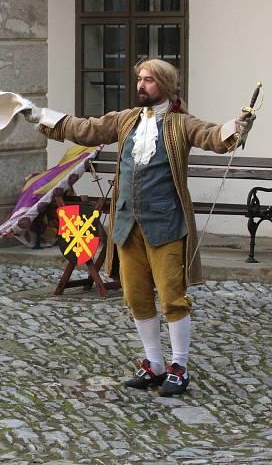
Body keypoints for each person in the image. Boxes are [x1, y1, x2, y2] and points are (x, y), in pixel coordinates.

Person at [25, 59, 254, 396]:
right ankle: (155, 365)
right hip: (127, 223)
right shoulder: (126, 119)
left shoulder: (181, 124)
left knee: (173, 298)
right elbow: (84, 129)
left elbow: (213, 137)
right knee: (136, 296)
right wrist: (38, 116)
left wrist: (237, 126)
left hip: (166, 226)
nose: (141, 85)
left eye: (148, 80)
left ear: (165, 85)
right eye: (139, 79)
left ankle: (180, 367)